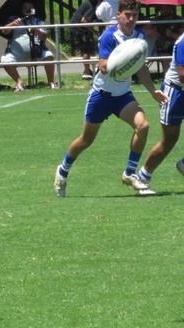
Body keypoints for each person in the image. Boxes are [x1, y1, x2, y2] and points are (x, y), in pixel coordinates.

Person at [53, 0, 168, 198]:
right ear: (118, 15)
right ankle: (62, 170)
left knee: (143, 126)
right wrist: (116, 62)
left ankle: (130, 173)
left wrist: (153, 92)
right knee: (86, 140)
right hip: (101, 95)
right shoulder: (109, 36)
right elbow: (104, 65)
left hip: (122, 96)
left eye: (134, 15)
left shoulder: (138, 38)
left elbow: (140, 68)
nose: (131, 19)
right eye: (127, 15)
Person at [137, 31, 184, 190]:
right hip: (175, 93)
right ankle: (143, 177)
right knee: (169, 140)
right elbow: (182, 75)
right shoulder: (182, 42)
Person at [0, 0, 57, 92]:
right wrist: (13, 24)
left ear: (34, 9)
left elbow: (44, 36)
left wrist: (36, 30)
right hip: (17, 54)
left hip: (37, 52)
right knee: (5, 61)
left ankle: (51, 82)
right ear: (21, 9)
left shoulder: (38, 20)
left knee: (49, 56)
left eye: (30, 8)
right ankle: (19, 82)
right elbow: (4, 31)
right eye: (25, 8)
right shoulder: (14, 19)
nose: (27, 10)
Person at [69, 0, 100, 80]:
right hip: (79, 28)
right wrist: (94, 32)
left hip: (77, 27)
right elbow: (84, 20)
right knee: (86, 49)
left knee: (87, 49)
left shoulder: (90, 3)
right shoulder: (92, 5)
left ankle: (87, 70)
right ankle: (86, 72)